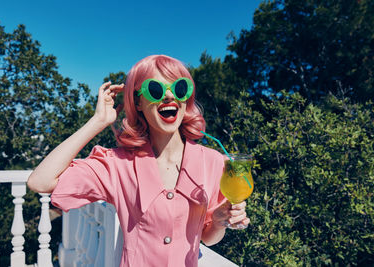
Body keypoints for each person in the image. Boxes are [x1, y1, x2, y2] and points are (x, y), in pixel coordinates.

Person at [27, 55, 250, 267]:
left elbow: (208, 238)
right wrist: (98, 121)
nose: (170, 96)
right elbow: (40, 181)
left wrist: (220, 220)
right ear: (139, 103)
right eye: (156, 89)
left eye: (179, 88)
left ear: (186, 98)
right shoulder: (117, 164)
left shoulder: (213, 162)